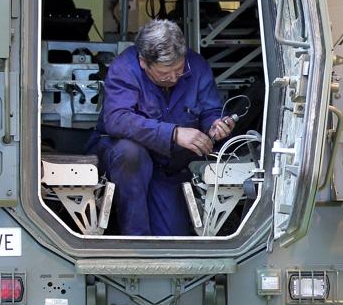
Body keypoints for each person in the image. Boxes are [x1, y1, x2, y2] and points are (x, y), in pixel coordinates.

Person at [89, 20, 235, 236]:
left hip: (168, 166)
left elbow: (210, 110)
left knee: (172, 239)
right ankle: (133, 244)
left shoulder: (196, 66)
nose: (174, 78)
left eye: (179, 70)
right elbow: (117, 118)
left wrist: (216, 124)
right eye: (165, 73)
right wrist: (174, 133)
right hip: (125, 162)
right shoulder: (124, 68)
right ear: (143, 62)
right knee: (130, 152)